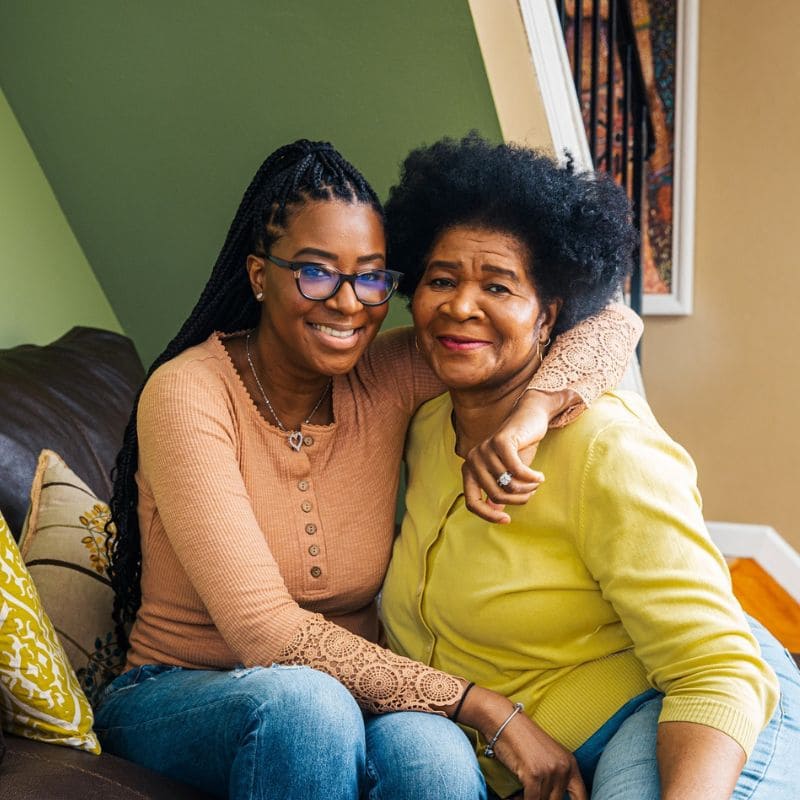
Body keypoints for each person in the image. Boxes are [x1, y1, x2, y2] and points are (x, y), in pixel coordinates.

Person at [95, 139, 642, 800]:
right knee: (307, 708)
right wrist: (485, 707)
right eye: (317, 273)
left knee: (433, 757)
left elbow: (612, 320)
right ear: (259, 274)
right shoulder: (189, 394)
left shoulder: (383, 375)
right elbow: (265, 632)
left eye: (373, 277)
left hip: (353, 694)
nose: (349, 303)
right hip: (180, 692)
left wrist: (531, 414)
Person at [380, 133, 800, 800]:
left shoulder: (606, 446)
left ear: (551, 316)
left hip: (677, 703)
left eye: (498, 285)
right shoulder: (423, 422)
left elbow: (715, 672)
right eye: (441, 279)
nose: (461, 305)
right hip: (518, 745)